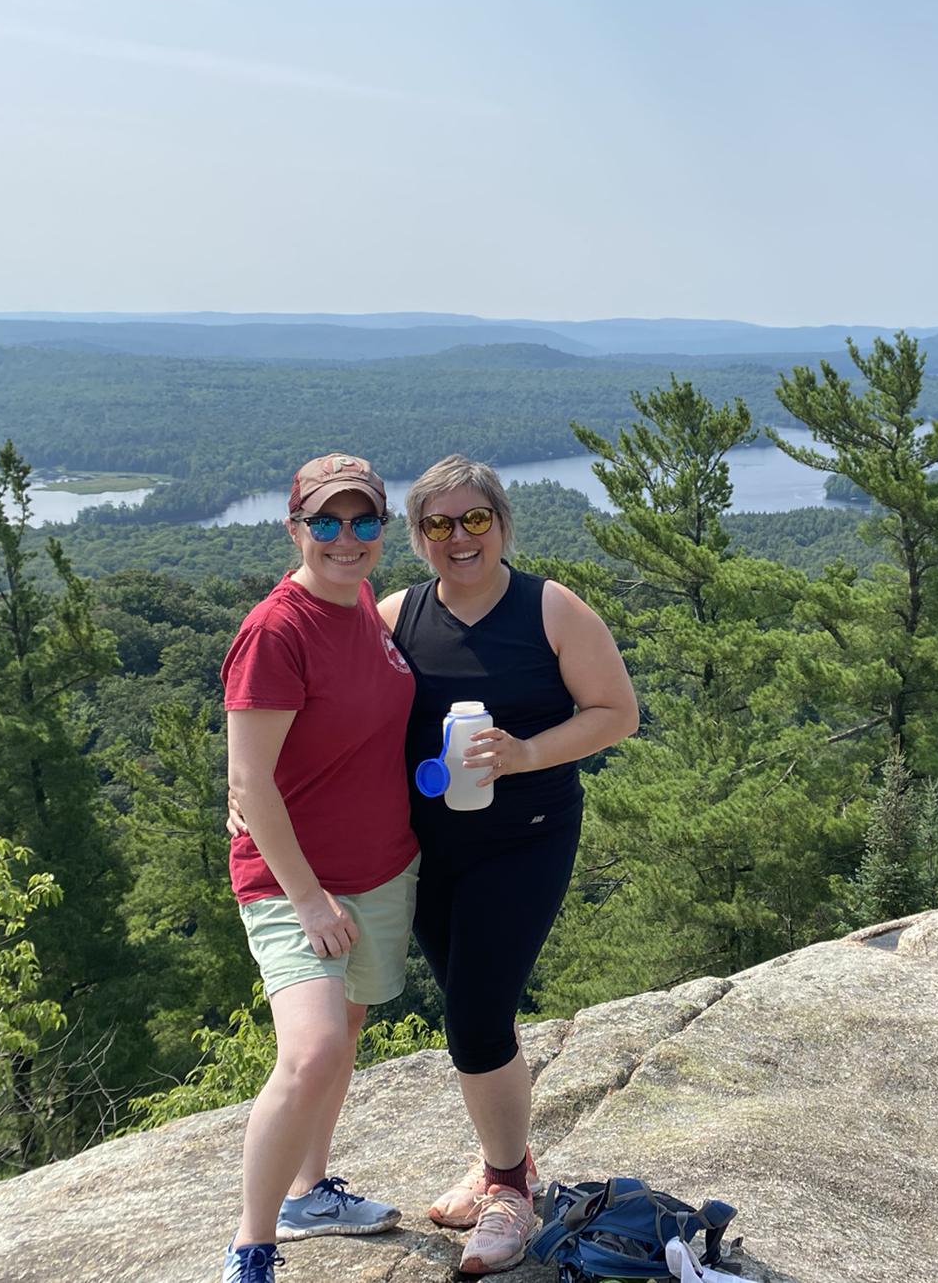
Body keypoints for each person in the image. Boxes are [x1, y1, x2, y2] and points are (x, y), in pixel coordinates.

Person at [378, 455, 638, 1275]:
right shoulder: (395, 616)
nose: (460, 538)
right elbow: (332, 715)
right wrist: (254, 786)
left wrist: (525, 753)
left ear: (502, 523)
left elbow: (616, 714)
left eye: (476, 520)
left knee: (476, 1015)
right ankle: (510, 1159)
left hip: (527, 836)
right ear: (418, 537)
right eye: (439, 524)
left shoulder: (550, 609)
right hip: (428, 848)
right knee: (469, 1005)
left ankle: (507, 1191)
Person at [218, 454, 422, 1283]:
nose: (347, 539)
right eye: (327, 523)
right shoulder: (279, 628)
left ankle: (311, 1191)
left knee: (344, 1044)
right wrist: (307, 898)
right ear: (295, 526)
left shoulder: (362, 600)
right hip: (295, 883)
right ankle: (252, 1245)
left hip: (380, 869)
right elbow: (248, 778)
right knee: (309, 1052)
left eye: (365, 521)